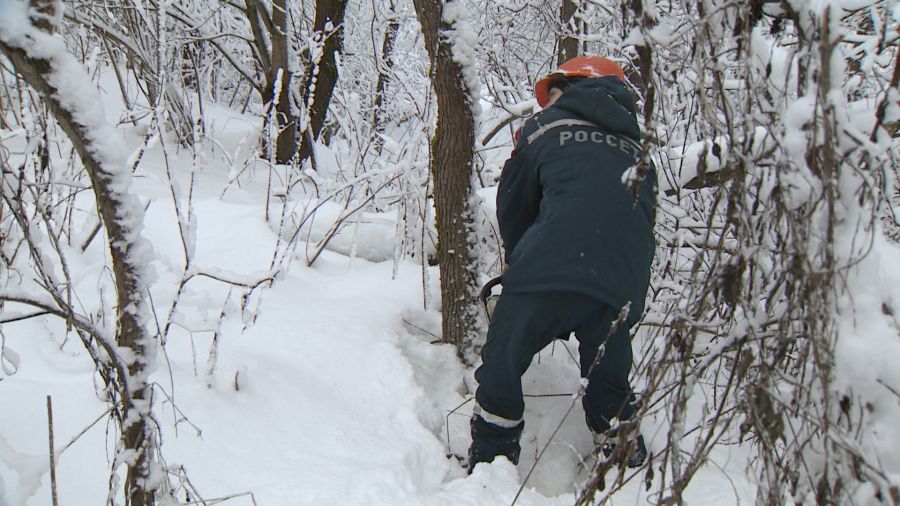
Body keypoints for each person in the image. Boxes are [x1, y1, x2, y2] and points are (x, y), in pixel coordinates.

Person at [467, 55, 657, 472]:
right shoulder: (639, 150)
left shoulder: (542, 129)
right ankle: (628, 468)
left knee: (503, 360)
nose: (545, 103)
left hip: (545, 272)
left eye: (553, 92)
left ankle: (491, 463)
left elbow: (513, 208)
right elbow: (642, 225)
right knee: (611, 382)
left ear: (573, 89)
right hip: (618, 287)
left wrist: (524, 266)